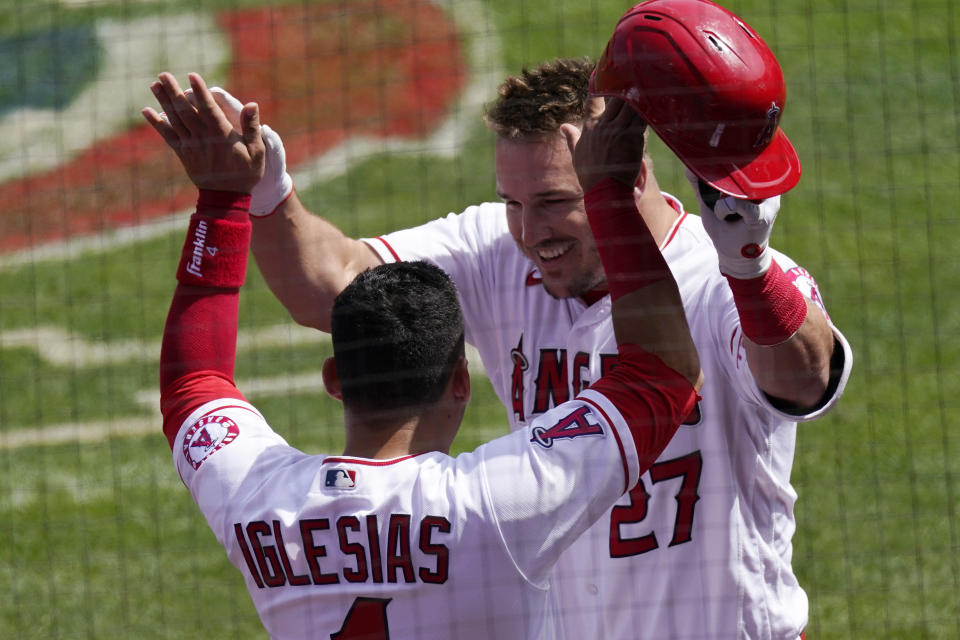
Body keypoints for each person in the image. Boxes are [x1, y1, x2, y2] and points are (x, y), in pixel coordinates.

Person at [196, 6, 852, 638]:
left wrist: (749, 267)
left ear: (631, 173)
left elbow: (804, 378)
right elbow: (329, 290)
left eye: (556, 202)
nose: (532, 234)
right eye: (514, 202)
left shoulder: (721, 275)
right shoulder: (495, 250)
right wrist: (266, 190)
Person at [145, 71, 703, 639]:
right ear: (460, 381)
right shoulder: (496, 509)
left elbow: (194, 382)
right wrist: (610, 195)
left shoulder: (260, 505)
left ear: (334, 378)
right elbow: (664, 372)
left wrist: (223, 202)